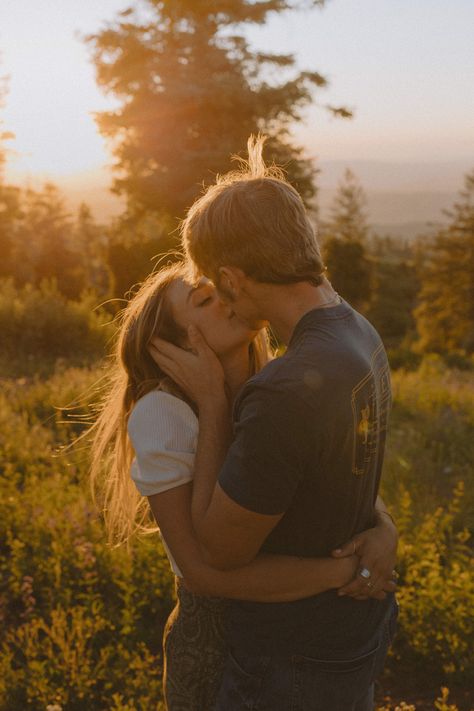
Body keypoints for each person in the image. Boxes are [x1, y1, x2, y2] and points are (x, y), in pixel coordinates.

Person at [149, 135, 399, 710]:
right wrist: (383, 528)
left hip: (290, 658)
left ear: (234, 278)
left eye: (214, 284)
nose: (218, 298)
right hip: (352, 635)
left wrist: (213, 404)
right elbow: (341, 467)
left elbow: (220, 550)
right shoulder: (358, 333)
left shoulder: (285, 387)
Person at [90, 261, 398, 710]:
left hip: (308, 637)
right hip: (222, 647)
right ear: (173, 349)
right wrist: (349, 572)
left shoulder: (272, 384)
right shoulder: (163, 413)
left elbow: (337, 468)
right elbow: (202, 572)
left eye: (219, 288)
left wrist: (384, 525)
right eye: (203, 299)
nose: (223, 297)